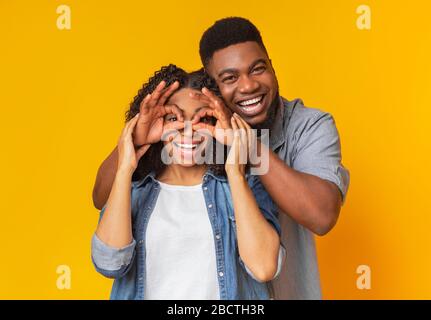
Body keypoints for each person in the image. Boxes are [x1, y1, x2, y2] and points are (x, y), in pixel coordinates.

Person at [92, 17, 350, 300]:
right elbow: (102, 211)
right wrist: (133, 144)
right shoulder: (153, 176)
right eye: (230, 78)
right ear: (212, 88)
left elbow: (320, 216)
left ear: (272, 65)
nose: (248, 86)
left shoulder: (306, 127)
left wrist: (244, 151)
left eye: (258, 69)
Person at [91, 65, 285, 300]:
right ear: (154, 122)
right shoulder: (134, 190)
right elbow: (109, 263)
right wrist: (124, 167)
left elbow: (264, 268)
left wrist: (235, 169)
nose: (188, 130)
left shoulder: (245, 186)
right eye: (174, 118)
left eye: (203, 118)